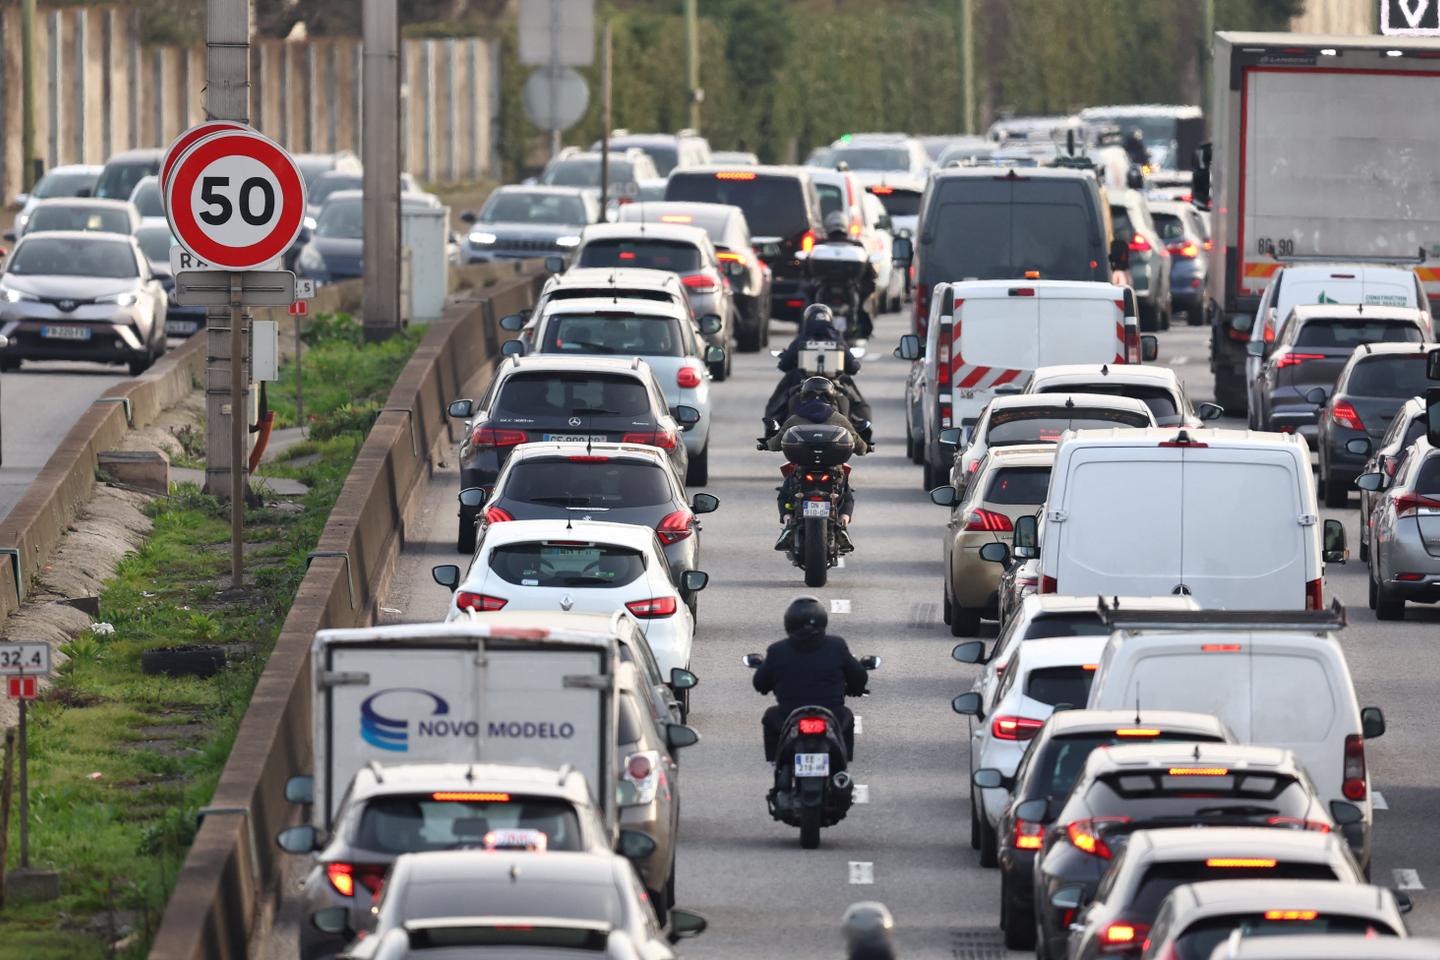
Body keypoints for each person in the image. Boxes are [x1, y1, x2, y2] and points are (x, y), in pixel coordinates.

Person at [753, 597, 869, 762]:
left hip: (789, 715)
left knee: (770, 717)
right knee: (848, 717)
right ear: (823, 621)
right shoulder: (836, 646)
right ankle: (843, 765)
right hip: (832, 714)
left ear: (789, 623)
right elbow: (859, 676)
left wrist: (766, 685)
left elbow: (760, 683)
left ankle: (777, 763)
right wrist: (856, 688)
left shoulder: (777, 651)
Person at [765, 376, 868, 551]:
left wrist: (765, 444)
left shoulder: (795, 418)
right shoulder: (839, 418)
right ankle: (843, 523)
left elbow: (776, 442)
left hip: (802, 470)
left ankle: (788, 521)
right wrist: (865, 448)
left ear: (804, 395)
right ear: (832, 396)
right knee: (846, 493)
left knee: (785, 493)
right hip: (833, 471)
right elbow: (858, 443)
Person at [764, 303, 863, 422]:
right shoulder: (838, 340)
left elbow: (784, 365)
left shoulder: (801, 339)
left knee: (776, 404)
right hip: (834, 387)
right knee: (859, 404)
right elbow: (853, 367)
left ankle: (773, 430)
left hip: (801, 385)